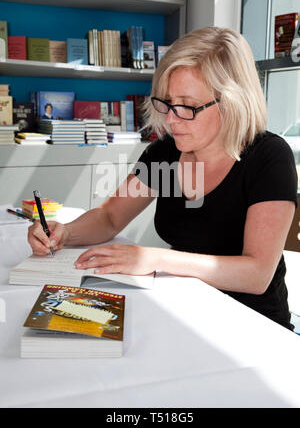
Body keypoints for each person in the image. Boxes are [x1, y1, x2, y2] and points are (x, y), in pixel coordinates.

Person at [28, 27, 298, 330]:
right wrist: (65, 233)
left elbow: (257, 274)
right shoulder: (167, 151)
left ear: (232, 102)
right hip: (185, 308)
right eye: (167, 102)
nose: (170, 118)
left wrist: (153, 259)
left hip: (253, 326)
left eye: (186, 105)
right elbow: (110, 216)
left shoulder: (269, 157)